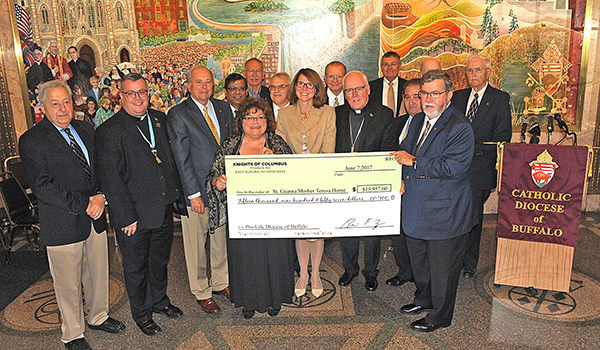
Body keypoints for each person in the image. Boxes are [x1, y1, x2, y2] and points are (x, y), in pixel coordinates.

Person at [19, 80, 125, 350]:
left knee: (98, 273)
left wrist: (101, 196)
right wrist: (85, 203)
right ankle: (73, 334)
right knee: (67, 284)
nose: (62, 108)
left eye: (66, 102)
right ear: (42, 107)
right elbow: (43, 186)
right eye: (54, 103)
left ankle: (99, 317)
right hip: (63, 221)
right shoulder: (31, 140)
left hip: (96, 216)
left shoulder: (86, 129)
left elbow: (101, 168)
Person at [95, 73, 185, 336]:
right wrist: (125, 217)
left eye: (142, 92)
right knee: (135, 268)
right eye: (130, 93)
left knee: (159, 261)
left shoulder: (160, 119)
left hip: (162, 208)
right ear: (120, 96)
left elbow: (166, 159)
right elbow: (111, 179)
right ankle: (142, 314)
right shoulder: (108, 131)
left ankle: (160, 301)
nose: (137, 98)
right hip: (133, 215)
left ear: (148, 93)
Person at [391, 70, 475, 332]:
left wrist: (414, 162)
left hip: (444, 214)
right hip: (415, 209)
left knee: (443, 270)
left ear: (449, 95)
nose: (427, 99)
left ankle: (440, 315)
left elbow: (453, 168)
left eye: (435, 93)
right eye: (423, 93)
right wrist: (402, 177)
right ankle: (424, 298)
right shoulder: (417, 121)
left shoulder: (460, 127)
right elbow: (405, 157)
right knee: (420, 263)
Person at [207, 97, 295, 319]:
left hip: (274, 215)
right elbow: (214, 175)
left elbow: (294, 176)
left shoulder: (277, 144)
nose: (255, 122)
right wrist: (219, 182)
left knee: (274, 256)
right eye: (249, 117)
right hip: (241, 215)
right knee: (246, 257)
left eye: (260, 117)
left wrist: (276, 161)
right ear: (241, 120)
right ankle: (247, 301)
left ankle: (275, 299)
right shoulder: (230, 145)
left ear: (267, 120)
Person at [167, 66, 234, 314]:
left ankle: (221, 282)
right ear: (188, 85)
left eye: (208, 81)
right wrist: (193, 194)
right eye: (198, 82)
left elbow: (230, 146)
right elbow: (181, 158)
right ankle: (202, 291)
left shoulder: (223, 108)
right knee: (196, 245)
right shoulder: (178, 114)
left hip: (223, 189)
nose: (204, 86)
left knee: (220, 240)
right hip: (197, 193)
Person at [335, 71, 398, 291]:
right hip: (343, 182)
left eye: (358, 88)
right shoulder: (336, 114)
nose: (354, 94)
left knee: (372, 230)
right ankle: (350, 269)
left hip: (372, 182)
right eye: (349, 90)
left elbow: (388, 149)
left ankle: (371, 272)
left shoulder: (384, 114)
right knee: (347, 229)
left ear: (368, 89)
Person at [451, 54, 512, 278]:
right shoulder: (456, 97)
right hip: (455, 169)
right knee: (454, 214)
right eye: (469, 71)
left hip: (480, 170)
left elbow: (503, 138)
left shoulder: (500, 99)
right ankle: (452, 258)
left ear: (487, 72)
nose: (473, 74)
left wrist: (470, 146)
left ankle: (469, 263)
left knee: (473, 216)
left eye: (478, 70)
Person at [276, 68, 336, 299]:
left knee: (316, 229)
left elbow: (329, 148)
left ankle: (317, 275)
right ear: (294, 87)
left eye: (309, 85)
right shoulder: (284, 113)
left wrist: (314, 169)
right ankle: (303, 273)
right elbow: (281, 147)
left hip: (319, 177)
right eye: (300, 84)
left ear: (316, 89)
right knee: (300, 228)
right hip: (293, 178)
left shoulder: (328, 112)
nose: (304, 89)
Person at [384, 79, 421, 287]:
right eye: (407, 97)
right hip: (397, 187)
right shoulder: (397, 123)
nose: (412, 101)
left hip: (418, 188)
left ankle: (420, 276)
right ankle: (404, 271)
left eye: (417, 96)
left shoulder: (429, 126)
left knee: (416, 237)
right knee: (398, 233)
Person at [369, 52, 407, 117]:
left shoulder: (407, 86)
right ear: (381, 67)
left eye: (393, 64)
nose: (389, 68)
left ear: (400, 66)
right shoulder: (371, 87)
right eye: (386, 64)